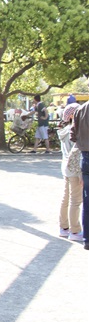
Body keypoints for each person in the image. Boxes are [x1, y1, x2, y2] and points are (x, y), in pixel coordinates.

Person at [56, 103, 82, 241]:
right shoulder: (75, 131)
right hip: (74, 169)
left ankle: (64, 227)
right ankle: (75, 230)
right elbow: (77, 154)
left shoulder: (64, 130)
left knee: (66, 198)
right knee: (75, 200)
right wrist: (80, 173)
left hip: (65, 167)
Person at [69, 100, 89, 249]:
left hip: (85, 156)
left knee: (87, 199)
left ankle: (87, 239)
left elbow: (73, 135)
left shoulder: (80, 110)